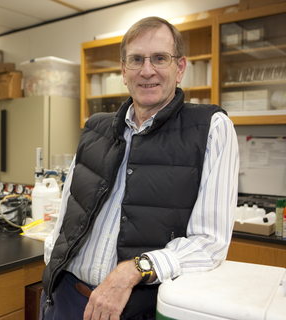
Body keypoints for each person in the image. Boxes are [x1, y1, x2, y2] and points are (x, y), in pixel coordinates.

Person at [41, 16, 239, 320]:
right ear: (123, 71)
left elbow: (209, 244)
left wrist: (134, 270)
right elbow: (69, 211)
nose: (147, 70)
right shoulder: (95, 128)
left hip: (134, 309)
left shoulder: (211, 128)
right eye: (136, 60)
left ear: (180, 68)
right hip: (67, 298)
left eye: (160, 58)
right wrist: (52, 265)